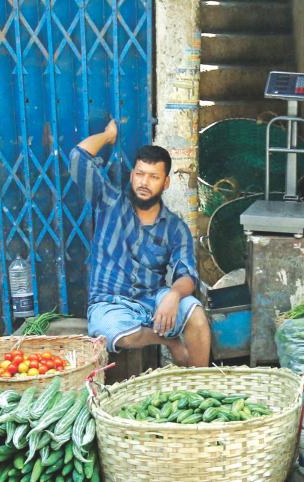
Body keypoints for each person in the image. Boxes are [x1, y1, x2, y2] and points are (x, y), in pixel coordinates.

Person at [68, 120, 210, 367]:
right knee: (115, 332)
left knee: (195, 313)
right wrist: (108, 135)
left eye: (153, 177)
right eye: (140, 174)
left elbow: (187, 275)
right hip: (110, 303)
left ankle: (202, 385)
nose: (144, 182)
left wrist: (174, 295)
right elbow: (78, 158)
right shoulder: (109, 203)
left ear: (165, 183)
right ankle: (170, 342)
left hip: (152, 300)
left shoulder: (176, 228)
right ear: (132, 175)